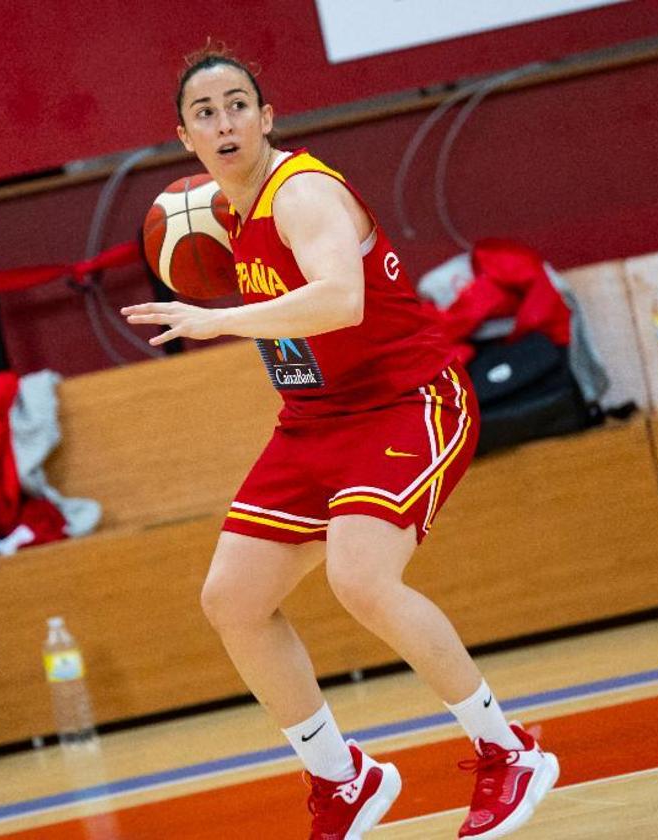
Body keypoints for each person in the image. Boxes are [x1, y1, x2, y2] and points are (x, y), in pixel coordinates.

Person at [122, 45, 558, 840]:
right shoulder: (217, 216)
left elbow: (339, 300)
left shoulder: (304, 192)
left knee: (360, 577)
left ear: (267, 117)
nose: (225, 123)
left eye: (237, 106)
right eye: (205, 113)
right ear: (184, 137)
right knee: (232, 600)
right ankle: (342, 777)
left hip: (407, 401)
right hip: (314, 419)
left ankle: (508, 751)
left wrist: (218, 321)